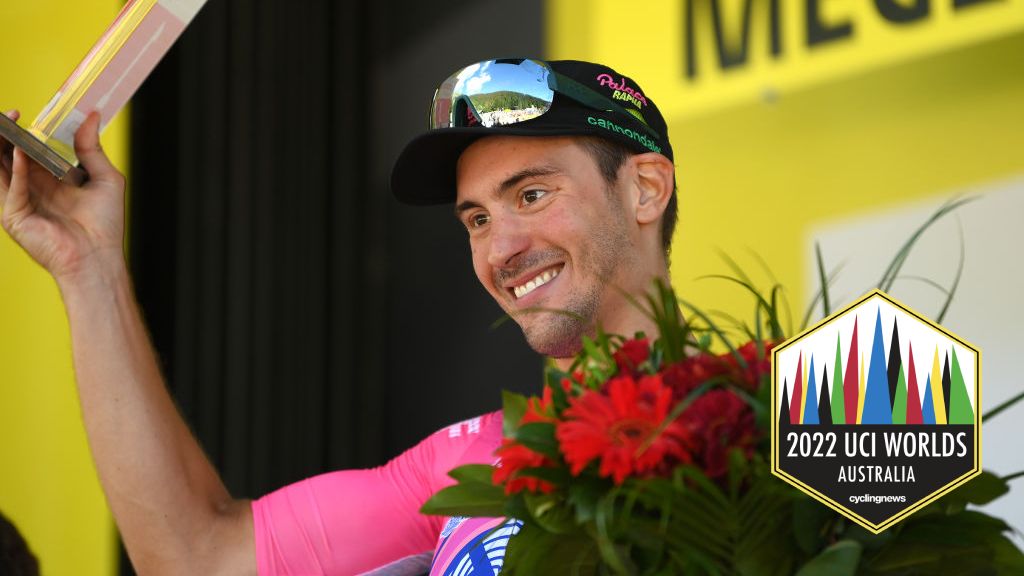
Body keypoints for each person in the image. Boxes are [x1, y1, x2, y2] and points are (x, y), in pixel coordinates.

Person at [0, 58, 677, 575]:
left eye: (531, 194)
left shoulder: (775, 415)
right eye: (476, 218)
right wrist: (87, 268)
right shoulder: (467, 463)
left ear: (644, 189)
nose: (499, 248)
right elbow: (197, 557)